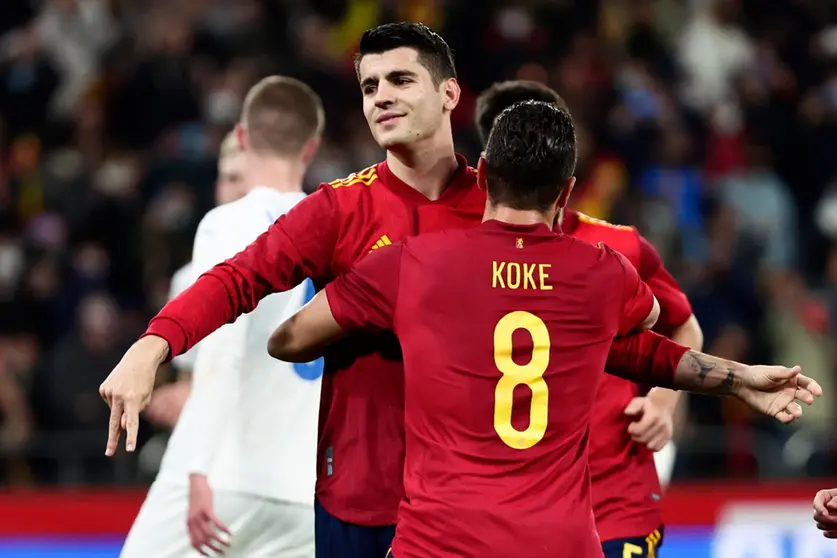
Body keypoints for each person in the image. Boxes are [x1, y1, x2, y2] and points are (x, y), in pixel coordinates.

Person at [97, 22, 813, 558]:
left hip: (501, 511)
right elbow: (236, 280)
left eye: (399, 80)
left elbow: (614, 334)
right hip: (363, 495)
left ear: (448, 93)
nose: (380, 96)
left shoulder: (515, 209)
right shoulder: (338, 209)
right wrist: (151, 346)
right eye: (368, 85)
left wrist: (693, 388)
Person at [266, 100, 820, 558]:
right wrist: (740, 378)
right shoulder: (604, 271)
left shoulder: (412, 265)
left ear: (481, 175)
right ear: (566, 191)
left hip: (440, 542)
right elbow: (646, 333)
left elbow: (287, 339)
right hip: (561, 543)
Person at [474, 79, 702, 557]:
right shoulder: (454, 256)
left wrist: (662, 402)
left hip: (613, 499)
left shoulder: (618, 246)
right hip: (501, 508)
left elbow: (685, 325)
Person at [119, 76, 325, 558]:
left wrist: (198, 468)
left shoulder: (229, 221)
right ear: (310, 147)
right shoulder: (332, 225)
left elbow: (222, 356)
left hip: (226, 472)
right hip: (304, 490)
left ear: (244, 137)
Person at [145, 130, 250, 430]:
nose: (237, 192)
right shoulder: (188, 278)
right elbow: (189, 378)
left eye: (243, 180)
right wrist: (183, 397)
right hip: (219, 435)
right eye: (229, 179)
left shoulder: (302, 270)